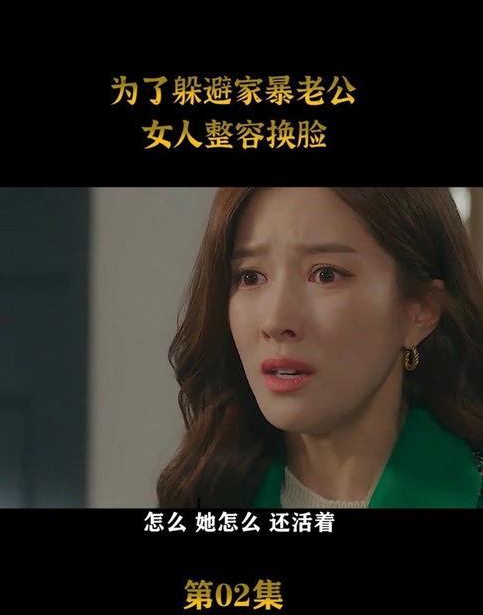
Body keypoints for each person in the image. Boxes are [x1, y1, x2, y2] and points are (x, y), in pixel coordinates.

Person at [157, 188, 483, 509]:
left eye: (326, 275)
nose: (276, 321)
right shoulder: (204, 497)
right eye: (251, 277)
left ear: (420, 311)